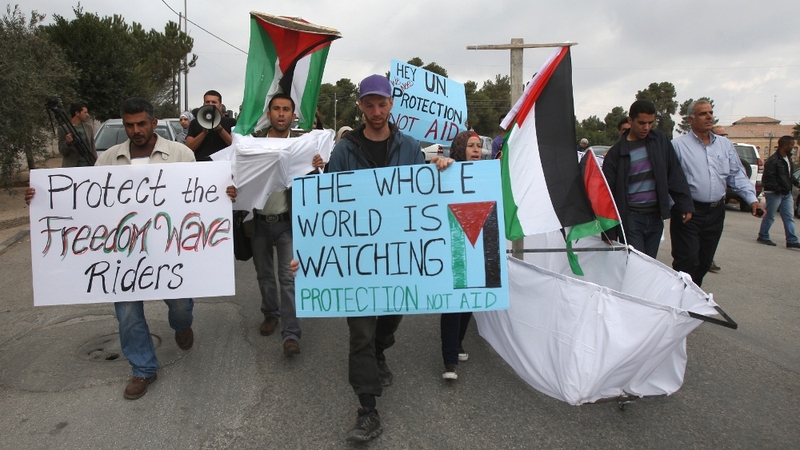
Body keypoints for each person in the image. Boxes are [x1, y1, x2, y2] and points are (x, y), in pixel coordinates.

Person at [26, 98, 236, 399]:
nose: (135, 130)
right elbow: (85, 204)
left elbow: (199, 199)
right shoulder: (108, 159)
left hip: (169, 251)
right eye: (129, 125)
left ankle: (182, 325)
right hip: (122, 256)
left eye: (140, 124)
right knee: (126, 313)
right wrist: (42, 198)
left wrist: (223, 194)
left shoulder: (180, 154)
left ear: (152, 123)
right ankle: (142, 369)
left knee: (179, 306)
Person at [327, 74, 424, 442]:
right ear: (360, 107)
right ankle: (368, 411)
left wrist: (442, 171)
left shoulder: (411, 147)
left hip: (399, 256)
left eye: (382, 103)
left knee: (389, 321)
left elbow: (424, 196)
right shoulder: (344, 150)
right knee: (360, 334)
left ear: (391, 104)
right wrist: (313, 254)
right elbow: (328, 205)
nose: (376, 111)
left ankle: (383, 351)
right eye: (369, 105)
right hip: (358, 260)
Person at [250, 93, 324, 356]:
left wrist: (317, 168)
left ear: (293, 116)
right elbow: (237, 178)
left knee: (289, 277)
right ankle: (270, 313)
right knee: (264, 275)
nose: (281, 114)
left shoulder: (303, 148)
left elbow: (316, 187)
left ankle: (291, 333)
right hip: (258, 223)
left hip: (288, 223)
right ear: (268, 114)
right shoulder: (252, 146)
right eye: (276, 109)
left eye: (286, 110)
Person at [670, 99, 765, 287]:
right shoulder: (678, 146)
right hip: (689, 212)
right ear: (691, 118)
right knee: (687, 261)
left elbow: (736, 174)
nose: (709, 117)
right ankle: (679, 303)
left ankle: (692, 302)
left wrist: (752, 200)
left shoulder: (724, 145)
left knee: (705, 261)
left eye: (710, 112)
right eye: (703, 113)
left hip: (715, 212)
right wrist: (677, 206)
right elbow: (672, 180)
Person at [602, 100, 694, 258]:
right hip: (631, 218)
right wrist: (609, 231)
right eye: (641, 123)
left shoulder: (660, 141)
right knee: (637, 263)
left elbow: (674, 172)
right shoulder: (616, 153)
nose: (646, 127)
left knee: (650, 263)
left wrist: (685, 203)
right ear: (630, 120)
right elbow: (606, 192)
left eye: (651, 123)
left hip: (656, 216)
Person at [430, 131, 482, 381]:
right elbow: (423, 167)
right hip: (450, 245)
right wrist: (440, 163)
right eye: (471, 145)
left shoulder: (486, 176)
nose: (475, 149)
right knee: (453, 304)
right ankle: (449, 360)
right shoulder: (447, 170)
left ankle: (458, 343)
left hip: (475, 245)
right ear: (460, 148)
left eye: (479, 146)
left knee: (470, 302)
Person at [757, 135, 800, 248]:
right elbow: (769, 178)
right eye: (791, 145)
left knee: (788, 216)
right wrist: (779, 190)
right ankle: (763, 236)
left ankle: (791, 240)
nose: (793, 147)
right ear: (785, 145)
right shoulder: (773, 160)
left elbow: (788, 175)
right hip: (774, 193)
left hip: (786, 193)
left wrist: (795, 183)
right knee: (770, 216)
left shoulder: (788, 158)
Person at [185, 90, 237, 161]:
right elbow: (189, 148)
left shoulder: (231, 122)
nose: (210, 104)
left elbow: (235, 145)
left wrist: (219, 129)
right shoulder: (195, 123)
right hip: (202, 164)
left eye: (214, 102)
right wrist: (204, 132)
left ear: (220, 106)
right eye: (207, 102)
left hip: (224, 164)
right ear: (203, 104)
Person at [58, 102, 97, 167]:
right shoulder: (63, 129)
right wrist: (67, 143)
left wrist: (96, 163)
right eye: (85, 112)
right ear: (77, 113)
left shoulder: (88, 128)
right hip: (72, 167)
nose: (87, 115)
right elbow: (62, 151)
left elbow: (93, 148)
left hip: (88, 165)